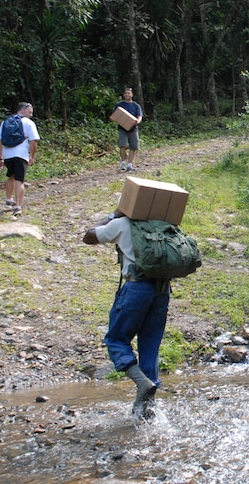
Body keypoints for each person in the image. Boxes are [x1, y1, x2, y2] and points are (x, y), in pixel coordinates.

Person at [83, 210, 170, 419]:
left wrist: (113, 215)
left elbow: (89, 236)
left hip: (135, 288)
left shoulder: (122, 223)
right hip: (162, 290)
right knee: (150, 345)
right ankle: (146, 409)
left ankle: (142, 383)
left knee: (115, 340)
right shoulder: (162, 223)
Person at [0, 102, 40, 217]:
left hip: (7, 154)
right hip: (21, 155)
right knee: (20, 180)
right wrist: (32, 156)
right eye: (29, 112)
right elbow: (33, 141)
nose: (31, 115)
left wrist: (0, 157)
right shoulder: (28, 123)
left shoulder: (5, 122)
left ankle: (9, 199)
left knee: (11, 176)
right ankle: (18, 206)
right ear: (22, 110)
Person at [114, 87, 143, 171]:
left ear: (132, 95)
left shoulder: (136, 105)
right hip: (122, 128)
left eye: (129, 93)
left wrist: (138, 121)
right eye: (126, 93)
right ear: (124, 94)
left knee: (133, 146)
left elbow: (140, 116)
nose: (127, 95)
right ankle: (123, 162)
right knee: (123, 145)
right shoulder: (119, 105)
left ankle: (130, 164)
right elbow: (114, 116)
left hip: (133, 129)